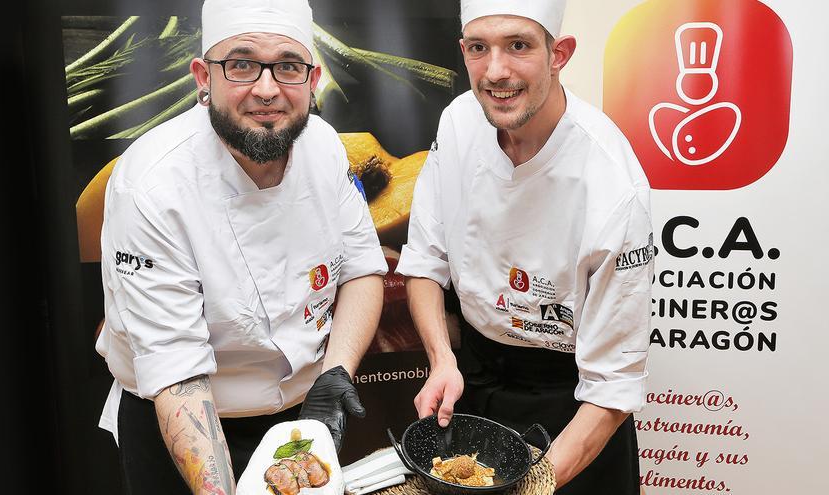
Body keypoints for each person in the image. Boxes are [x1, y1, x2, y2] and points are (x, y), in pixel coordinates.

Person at [95, 0, 387, 493]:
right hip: (184, 424)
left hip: (300, 415)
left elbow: (361, 269)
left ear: (313, 81)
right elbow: (176, 372)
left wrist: (336, 369)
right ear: (203, 78)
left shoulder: (325, 147)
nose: (267, 89)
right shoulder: (151, 186)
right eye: (242, 64)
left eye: (288, 66)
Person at [395, 0, 653, 493]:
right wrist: (441, 361)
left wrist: (530, 486)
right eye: (479, 48)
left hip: (571, 405)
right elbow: (427, 261)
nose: (496, 72)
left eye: (519, 45)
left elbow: (612, 387)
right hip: (471, 380)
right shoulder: (458, 122)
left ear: (560, 54)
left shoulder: (610, 184)